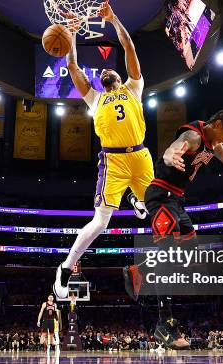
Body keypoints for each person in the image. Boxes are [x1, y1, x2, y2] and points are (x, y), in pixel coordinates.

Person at [123, 110, 223, 348]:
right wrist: (170, 157)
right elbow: (175, 148)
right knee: (168, 258)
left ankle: (139, 270)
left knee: (190, 254)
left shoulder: (213, 143)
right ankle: (164, 326)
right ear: (217, 124)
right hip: (161, 195)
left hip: (177, 200)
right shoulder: (195, 136)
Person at [53, 1, 153, 299]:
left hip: (141, 155)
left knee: (158, 209)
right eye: (104, 72)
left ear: (119, 77)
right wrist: (70, 34)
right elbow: (71, 66)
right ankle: (66, 268)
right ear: (102, 80)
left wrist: (114, 19)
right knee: (100, 222)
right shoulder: (95, 99)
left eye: (112, 69)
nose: (108, 71)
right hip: (114, 162)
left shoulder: (134, 88)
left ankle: (137, 198)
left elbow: (129, 48)